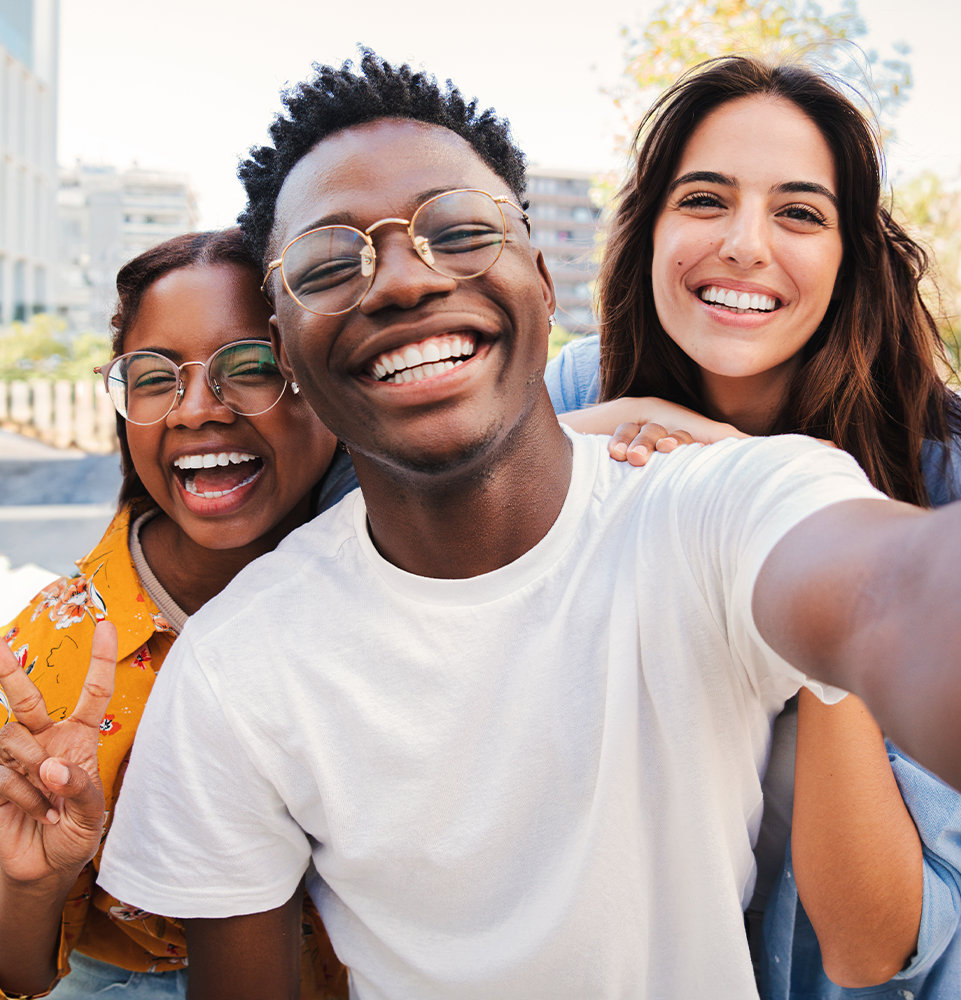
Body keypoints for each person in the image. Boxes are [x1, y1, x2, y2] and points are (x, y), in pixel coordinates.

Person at [83, 52, 961, 1000]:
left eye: (458, 232)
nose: (402, 282)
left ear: (542, 278)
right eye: (330, 263)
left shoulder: (757, 494)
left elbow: (882, 584)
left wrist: (828, 624)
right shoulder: (248, 655)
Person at [546, 56, 961, 998]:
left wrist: (801, 545)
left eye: (799, 212)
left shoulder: (942, 481)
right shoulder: (575, 397)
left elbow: (875, 951)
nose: (742, 244)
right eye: (703, 199)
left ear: (852, 254)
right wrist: (589, 438)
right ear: (648, 226)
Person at [0, 229, 351, 999]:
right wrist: (32, 884)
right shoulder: (47, 666)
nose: (195, 409)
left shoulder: (402, 574)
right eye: (154, 379)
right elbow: (20, 974)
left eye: (252, 367)